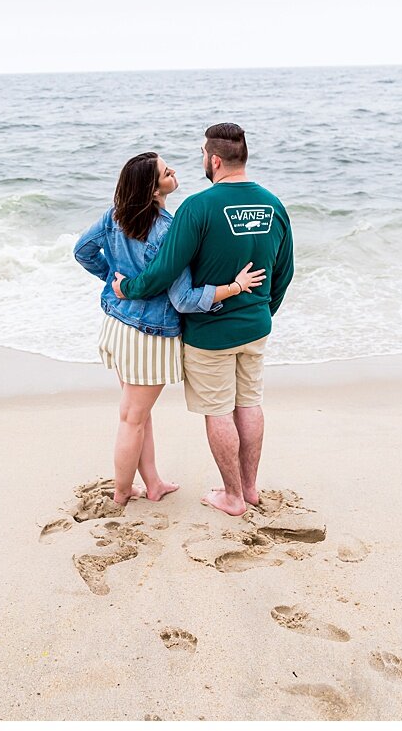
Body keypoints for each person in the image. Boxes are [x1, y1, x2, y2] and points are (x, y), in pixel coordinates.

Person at [113, 123, 294, 516]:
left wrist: (129, 289)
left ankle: (231, 496)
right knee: (249, 404)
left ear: (213, 159)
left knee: (219, 410)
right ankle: (249, 488)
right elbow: (285, 272)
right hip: (256, 325)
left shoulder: (197, 207)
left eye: (201, 154)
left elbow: (163, 272)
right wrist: (263, 310)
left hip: (211, 333)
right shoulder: (273, 204)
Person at [75, 152, 264, 507]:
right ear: (152, 188)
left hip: (117, 324)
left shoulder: (114, 215)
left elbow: (82, 252)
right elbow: (184, 300)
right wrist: (234, 288)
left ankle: (153, 482)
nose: (173, 170)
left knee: (136, 414)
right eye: (165, 171)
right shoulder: (167, 230)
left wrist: (115, 282)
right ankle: (120, 493)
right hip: (148, 335)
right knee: (132, 417)